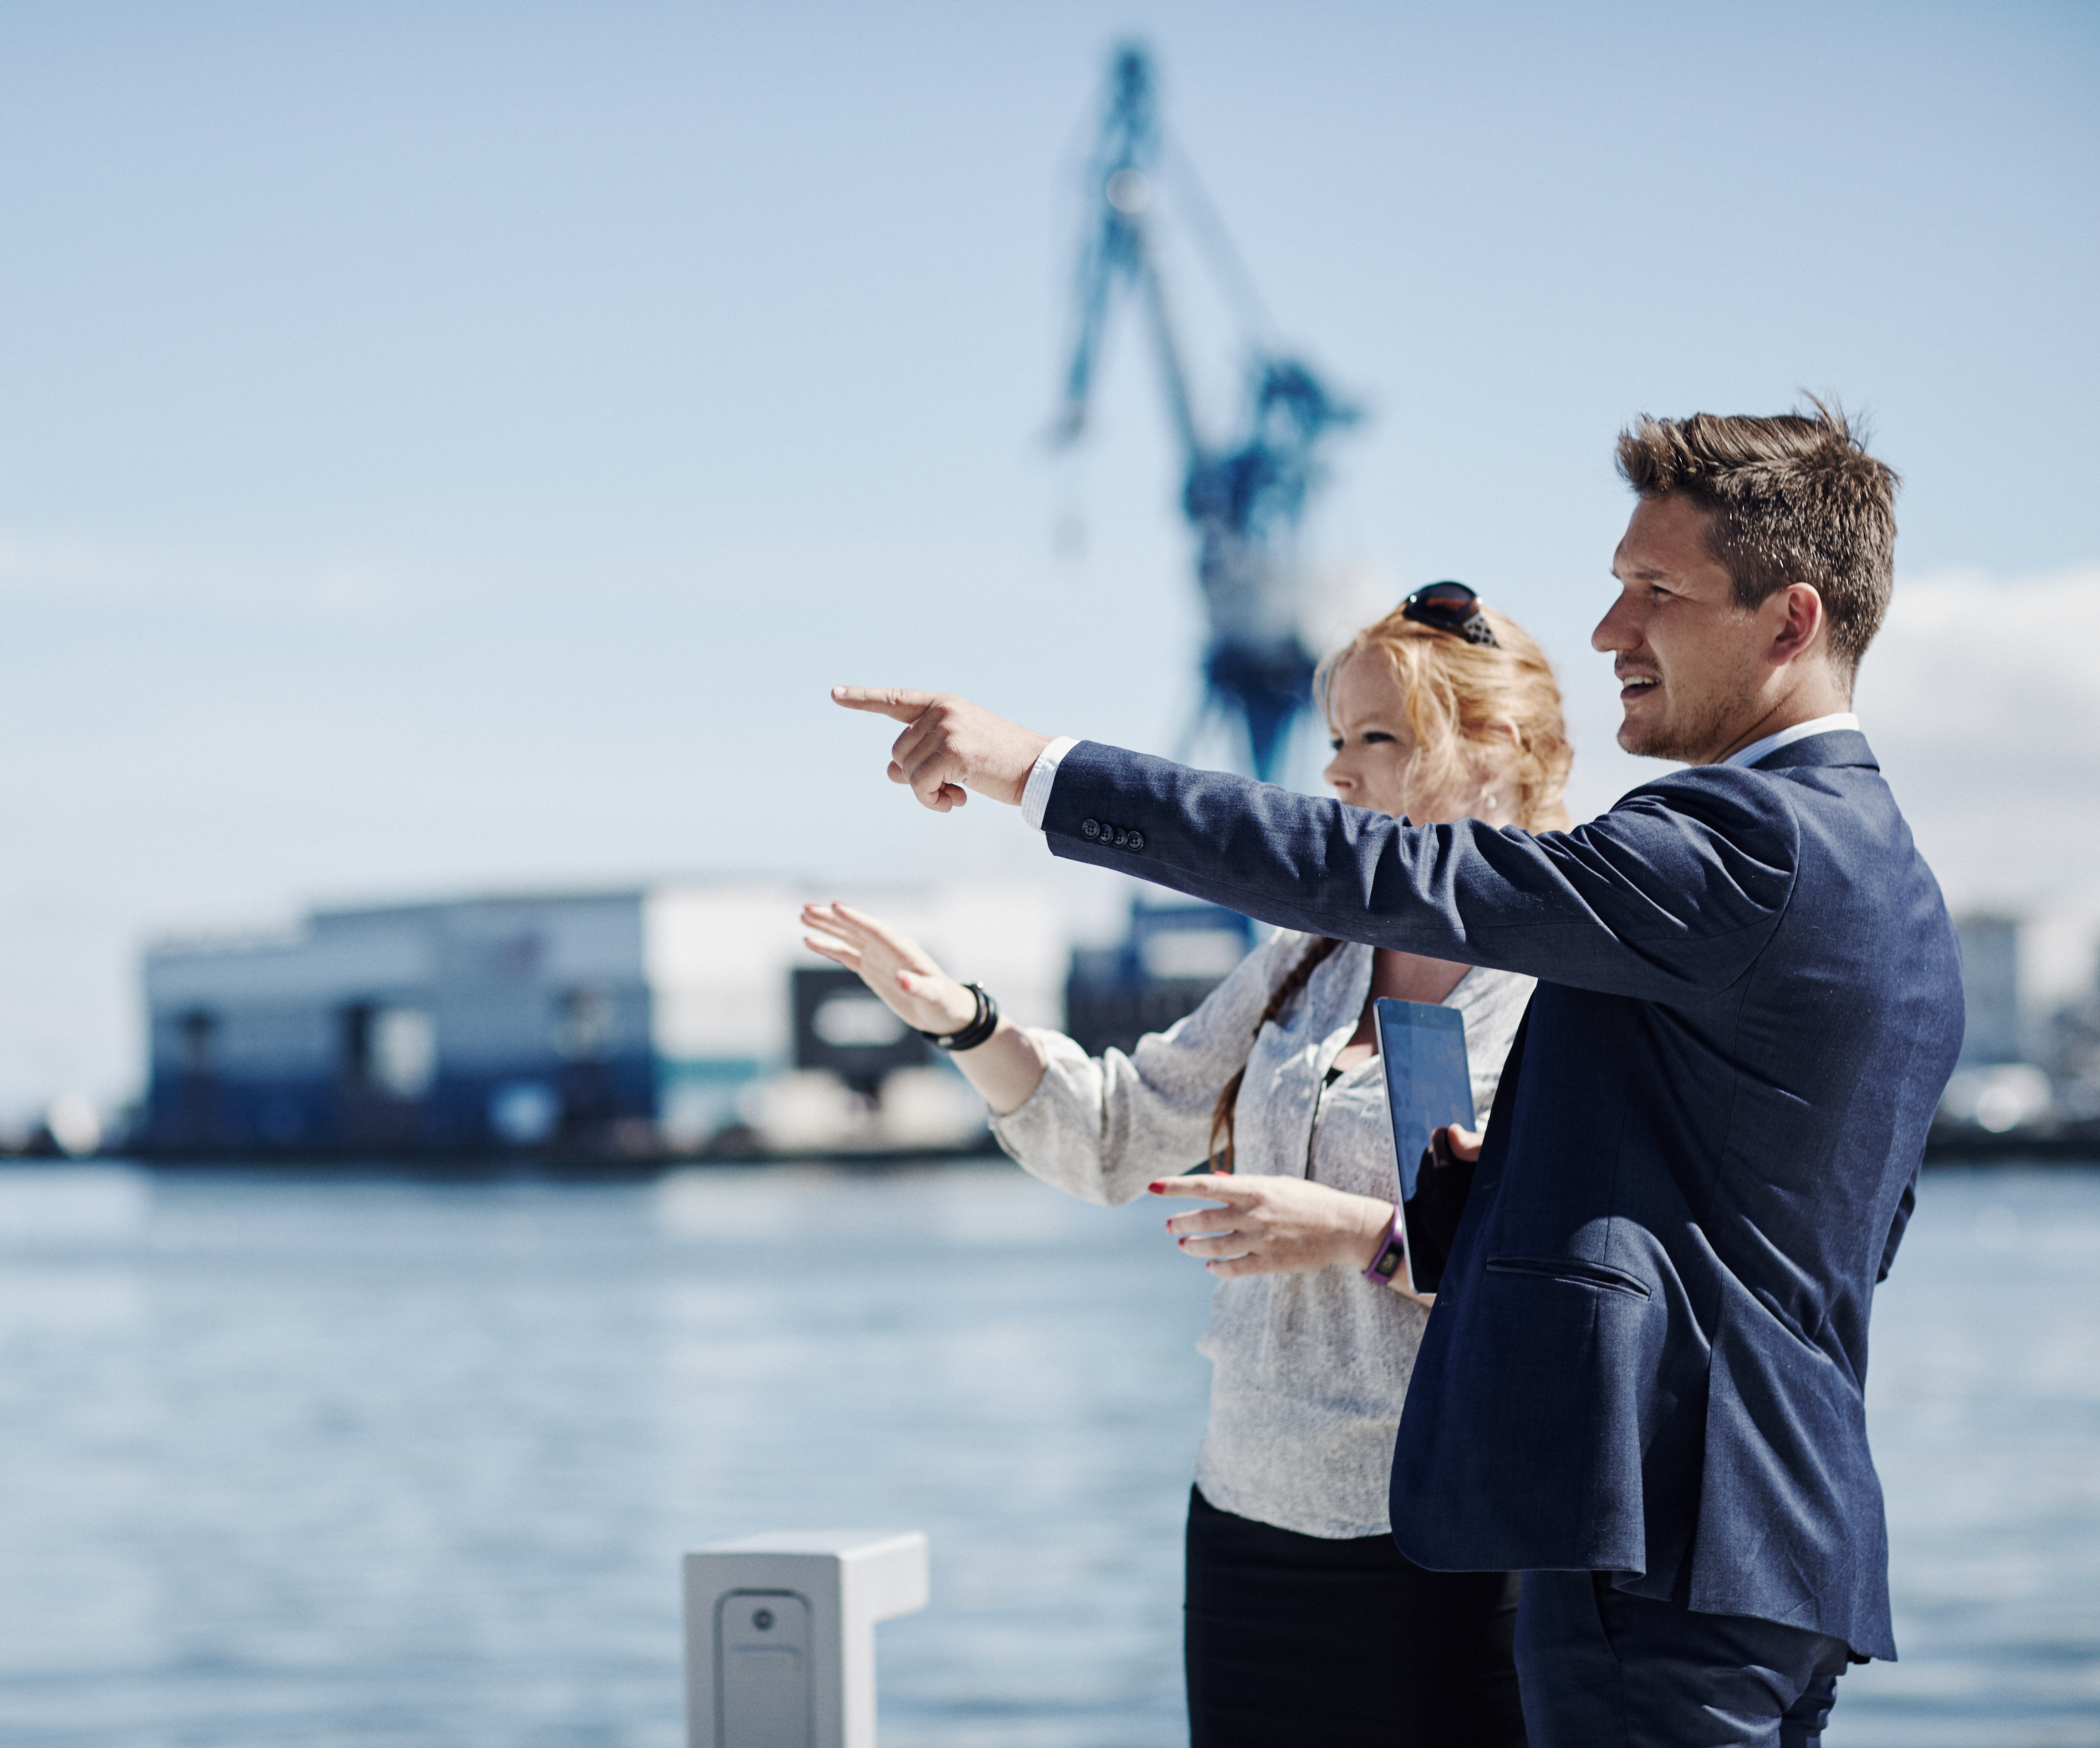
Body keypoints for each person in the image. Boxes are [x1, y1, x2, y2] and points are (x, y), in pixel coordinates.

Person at [829, 401, 1963, 1747]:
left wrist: (1037, 771)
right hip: (1735, 1535)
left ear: (1789, 622)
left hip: (1658, 1545)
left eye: (1654, 592)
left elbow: (1386, 873)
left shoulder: (1746, 843)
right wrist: (1492, 1209)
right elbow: (1783, 1228)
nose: (1611, 630)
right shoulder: (1883, 871)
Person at [803, 587, 1573, 1747]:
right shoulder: (1311, 955)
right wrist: (961, 1020)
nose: (1341, 775)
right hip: (1245, 1529)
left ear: (1500, 750)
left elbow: (1576, 1277)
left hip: (1452, 1548)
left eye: (1381, 739)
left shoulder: (1571, 993)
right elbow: (1115, 1134)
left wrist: (1350, 1230)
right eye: (1335, 742)